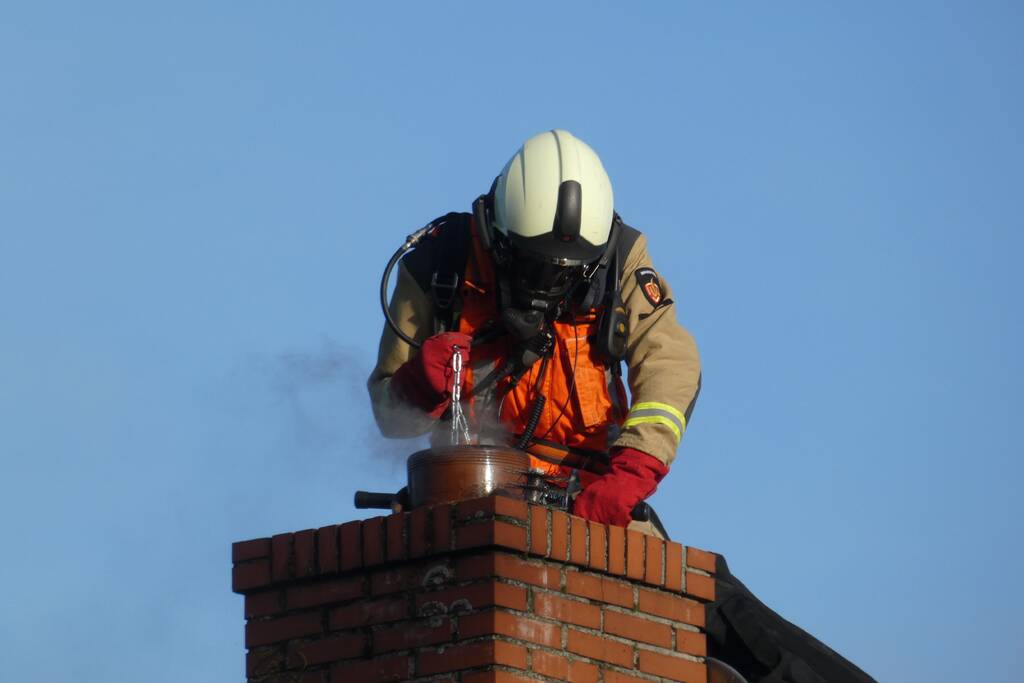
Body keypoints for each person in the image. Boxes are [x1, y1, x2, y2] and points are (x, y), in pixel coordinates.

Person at [367, 129, 701, 535]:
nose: (548, 281)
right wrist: (416, 384)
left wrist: (634, 470)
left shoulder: (621, 263)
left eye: (565, 272)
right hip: (470, 497)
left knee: (690, 593)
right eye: (534, 264)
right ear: (498, 234)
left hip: (592, 502)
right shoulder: (441, 264)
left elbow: (671, 364)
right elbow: (391, 419)